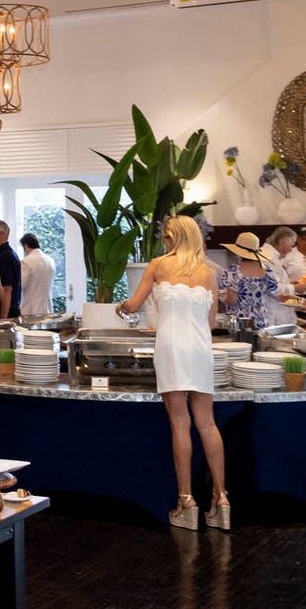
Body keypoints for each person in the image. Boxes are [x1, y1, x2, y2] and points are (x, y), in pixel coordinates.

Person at [120, 216, 225, 531]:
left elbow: (135, 305)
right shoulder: (208, 272)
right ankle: (222, 499)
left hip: (170, 347)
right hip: (200, 347)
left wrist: (121, 307)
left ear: (169, 237)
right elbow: (211, 320)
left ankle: (186, 501)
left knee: (180, 423)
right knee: (207, 423)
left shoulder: (158, 265)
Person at [218, 232, 290, 327]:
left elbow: (231, 300)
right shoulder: (267, 270)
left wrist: (220, 297)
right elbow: (274, 291)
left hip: (240, 320)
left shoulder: (233, 272)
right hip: (261, 319)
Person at [0, 219, 22, 320]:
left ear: (1, 234)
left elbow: (6, 289)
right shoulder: (8, 253)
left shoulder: (3, 257)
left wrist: (3, 319)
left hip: (6, 312)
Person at [19, 233, 54, 317]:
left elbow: (22, 285)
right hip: (47, 308)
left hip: (31, 309)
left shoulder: (26, 262)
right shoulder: (50, 261)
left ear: (25, 245)